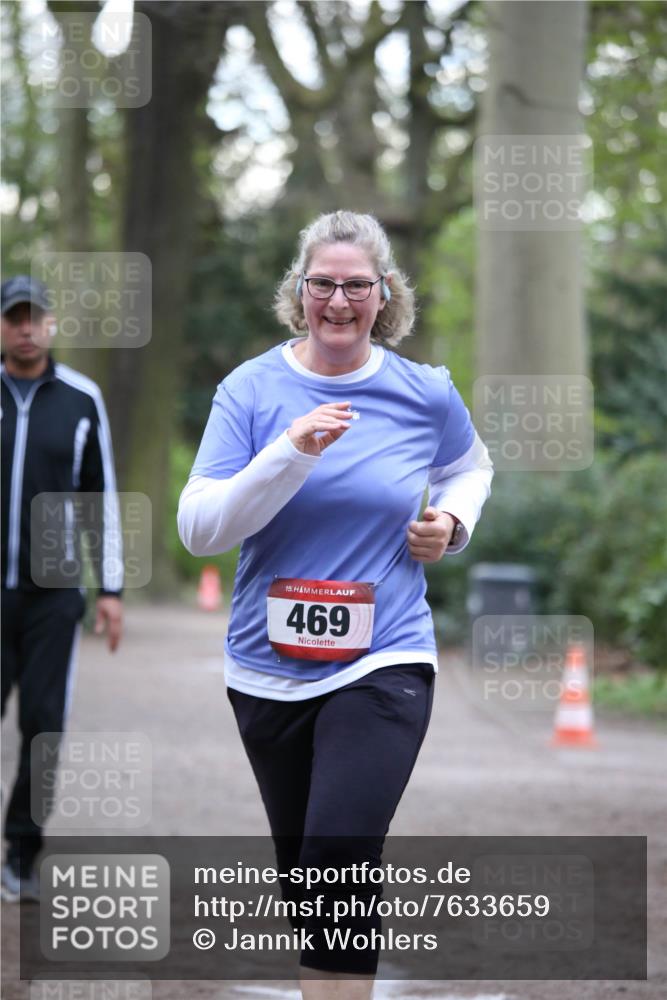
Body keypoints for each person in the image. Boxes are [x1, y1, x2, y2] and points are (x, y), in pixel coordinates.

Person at [178, 211, 493, 998]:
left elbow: (469, 467)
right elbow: (198, 529)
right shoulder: (249, 391)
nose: (341, 302)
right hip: (266, 668)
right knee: (307, 881)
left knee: (338, 855)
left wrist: (450, 524)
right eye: (324, 284)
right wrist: (287, 453)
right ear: (300, 291)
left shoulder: (422, 392)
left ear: (385, 294)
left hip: (383, 658)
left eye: (358, 285)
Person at [1, 275, 123, 902]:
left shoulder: (82, 399)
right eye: (14, 317)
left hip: (53, 595)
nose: (25, 328)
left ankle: (22, 851)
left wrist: (112, 590)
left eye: (35, 317)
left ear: (50, 324)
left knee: (44, 725)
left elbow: (100, 497)